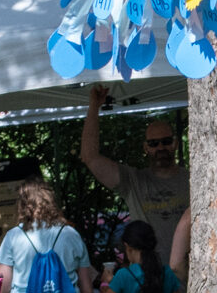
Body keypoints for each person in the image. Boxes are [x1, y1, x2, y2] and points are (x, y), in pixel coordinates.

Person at [80, 85, 189, 249]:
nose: (160, 148)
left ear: (175, 144)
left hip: (188, 273)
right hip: (147, 274)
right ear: (146, 148)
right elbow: (90, 157)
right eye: (153, 143)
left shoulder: (193, 180)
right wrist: (94, 105)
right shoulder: (133, 181)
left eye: (166, 141)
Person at [0, 179, 94, 293]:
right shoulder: (71, 234)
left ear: (23, 205)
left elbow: (3, 288)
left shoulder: (13, 237)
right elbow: (87, 290)